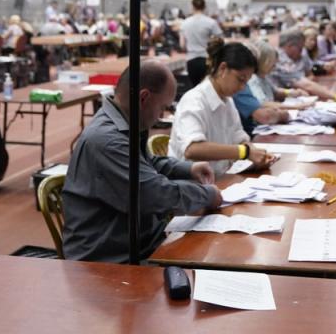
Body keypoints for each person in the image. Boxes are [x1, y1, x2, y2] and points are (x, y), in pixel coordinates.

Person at [62, 63, 222, 263]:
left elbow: (146, 165)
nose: (162, 115)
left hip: (136, 242)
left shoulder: (124, 122)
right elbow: (153, 193)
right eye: (163, 107)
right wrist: (207, 195)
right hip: (108, 260)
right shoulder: (107, 140)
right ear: (144, 98)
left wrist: (188, 168)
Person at [169, 38, 276, 175]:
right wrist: (245, 152)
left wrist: (255, 153)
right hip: (191, 185)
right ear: (222, 68)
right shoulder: (194, 100)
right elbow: (192, 149)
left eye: (246, 82)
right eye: (240, 79)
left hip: (219, 179)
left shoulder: (227, 101)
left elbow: (239, 138)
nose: (242, 87)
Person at [269, 28, 336, 101]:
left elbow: (309, 75)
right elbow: (306, 85)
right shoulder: (280, 59)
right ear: (290, 46)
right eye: (300, 48)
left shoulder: (295, 56)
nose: (302, 52)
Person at [180, 0, 224, 87]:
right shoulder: (211, 22)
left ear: (192, 6)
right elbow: (221, 41)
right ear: (204, 7)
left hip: (191, 61)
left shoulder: (185, 23)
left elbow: (182, 45)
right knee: (207, 89)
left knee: (194, 89)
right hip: (207, 60)